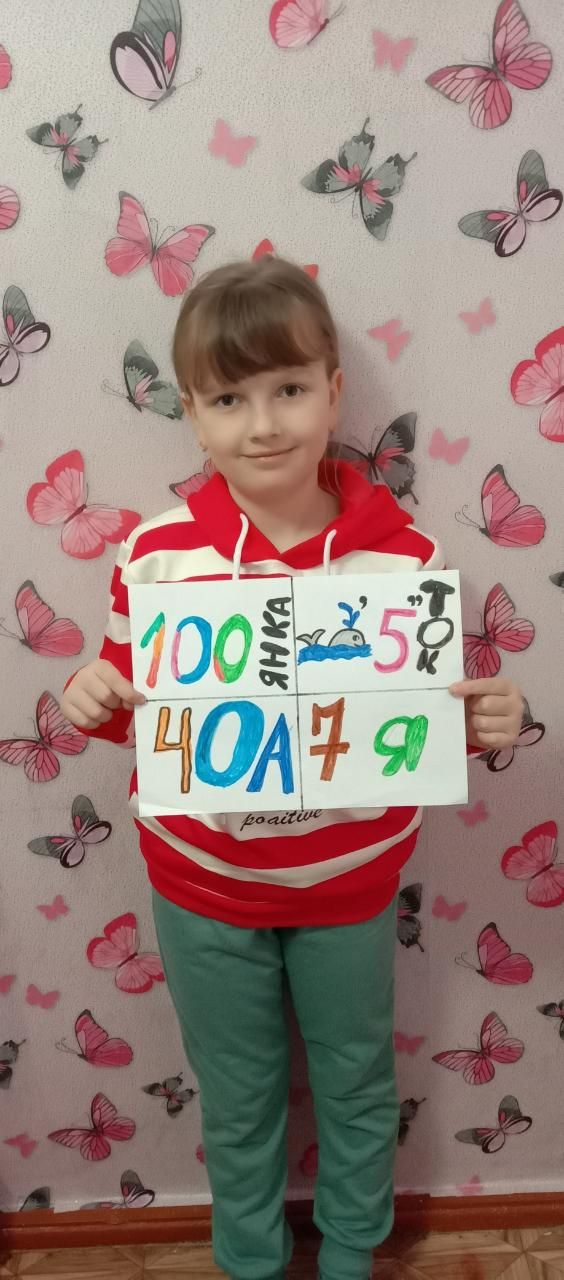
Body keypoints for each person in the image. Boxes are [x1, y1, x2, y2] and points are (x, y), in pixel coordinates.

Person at [60, 257, 523, 1280]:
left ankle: (353, 1253)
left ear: (333, 392)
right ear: (191, 414)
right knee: (238, 1094)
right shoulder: (156, 556)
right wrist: (93, 697)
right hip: (202, 882)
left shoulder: (406, 560)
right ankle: (251, 1261)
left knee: (356, 1081)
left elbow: (423, 722)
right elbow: (135, 705)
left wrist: (488, 720)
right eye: (229, 399)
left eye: (288, 389)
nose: (263, 423)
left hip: (348, 883)